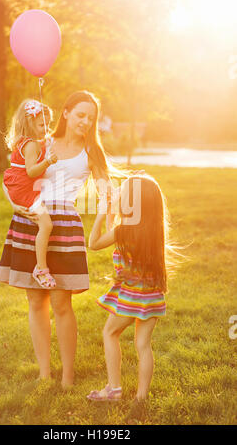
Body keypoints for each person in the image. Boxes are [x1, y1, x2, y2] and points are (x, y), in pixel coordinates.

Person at [0, 90, 115, 389]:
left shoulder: (92, 152)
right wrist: (14, 204)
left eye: (91, 118)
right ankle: (44, 373)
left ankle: (67, 377)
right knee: (35, 299)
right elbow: (12, 175)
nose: (86, 122)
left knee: (62, 303)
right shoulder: (43, 142)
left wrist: (104, 221)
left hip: (64, 225)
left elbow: (106, 193)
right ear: (66, 113)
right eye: (80, 115)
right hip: (31, 219)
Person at [87, 174, 173, 419]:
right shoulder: (153, 230)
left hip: (131, 296)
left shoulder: (124, 230)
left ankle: (113, 388)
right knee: (143, 345)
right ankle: (141, 397)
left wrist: (103, 212)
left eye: (123, 193)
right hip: (152, 295)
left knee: (110, 332)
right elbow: (117, 238)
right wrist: (114, 215)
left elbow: (94, 243)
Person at [2, 98, 58, 288]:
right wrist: (48, 161)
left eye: (48, 124)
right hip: (24, 191)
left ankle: (40, 266)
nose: (46, 128)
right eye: (42, 124)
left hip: (17, 187)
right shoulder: (32, 145)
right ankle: (41, 269)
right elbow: (32, 171)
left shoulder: (24, 142)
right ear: (30, 123)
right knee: (46, 224)